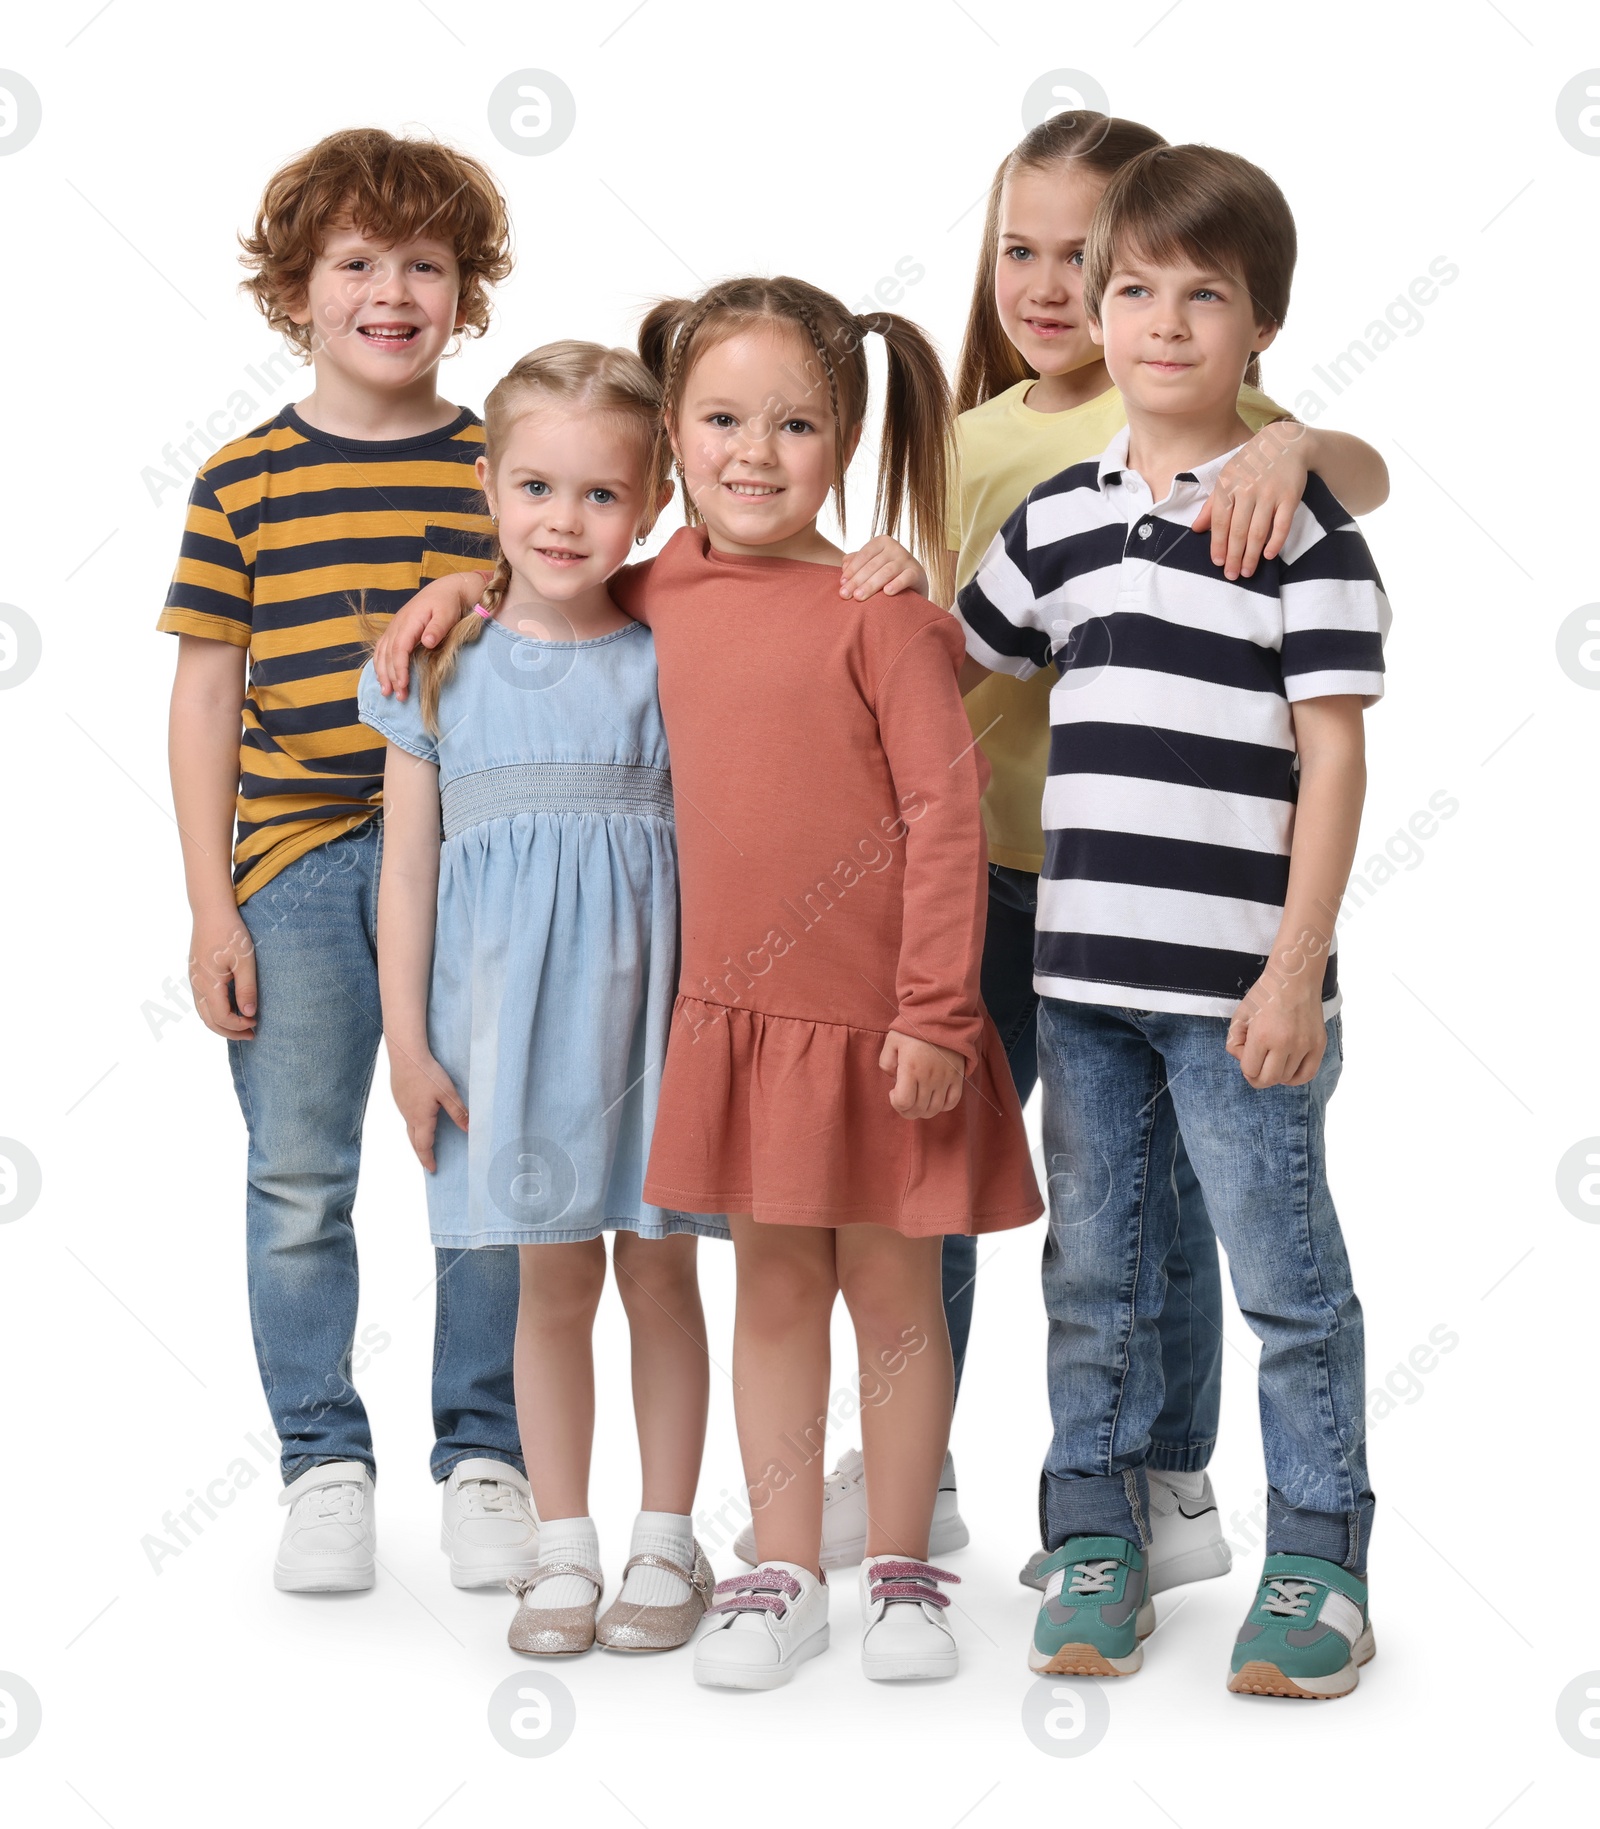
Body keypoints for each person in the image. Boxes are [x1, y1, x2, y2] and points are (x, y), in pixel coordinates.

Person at [375, 276, 1042, 1689]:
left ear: (847, 436)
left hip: (884, 1024)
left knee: (897, 1291)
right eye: (724, 419)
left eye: (796, 424)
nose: (755, 451)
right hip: (737, 1030)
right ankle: (782, 1566)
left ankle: (907, 1569)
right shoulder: (652, 591)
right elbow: (548, 581)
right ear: (673, 435)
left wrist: (938, 1011)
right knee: (778, 1294)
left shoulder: (885, 619)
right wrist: (464, 582)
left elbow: (946, 820)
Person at [766, 110, 1390, 1592]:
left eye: (1099, 262)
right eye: (1031, 257)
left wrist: (1291, 443)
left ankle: (1231, 1514)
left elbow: (1345, 556)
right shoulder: (1022, 479)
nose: (1068, 292)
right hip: (1020, 903)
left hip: (1216, 936)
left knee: (1223, 1248)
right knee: (1028, 1218)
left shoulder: (1258, 476)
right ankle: (985, 1484)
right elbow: (941, 657)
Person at [957, 143, 1387, 1698]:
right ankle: (1097, 1538)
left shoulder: (1300, 521)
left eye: (1203, 296)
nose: (1157, 320)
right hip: (1080, 983)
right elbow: (952, 669)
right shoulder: (1057, 522)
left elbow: (1334, 755)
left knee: (1282, 1276)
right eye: (1132, 288)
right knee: (1096, 1272)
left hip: (1239, 992)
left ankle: (1321, 1556)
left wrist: (1293, 969)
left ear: (1260, 328)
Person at [160, 128, 535, 1593]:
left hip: (475, 859)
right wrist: (212, 906)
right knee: (301, 1175)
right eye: (358, 263)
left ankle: (487, 1448)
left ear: (467, 290)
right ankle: (322, 1458)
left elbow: (580, 594)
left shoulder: (500, 467)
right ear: (297, 289)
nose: (394, 292)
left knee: (487, 1155)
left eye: (426, 265)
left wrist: (484, 573)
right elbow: (203, 693)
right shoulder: (242, 481)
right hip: (301, 862)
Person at [358, 341, 729, 1656]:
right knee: (548, 1288)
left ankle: (667, 1538)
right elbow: (407, 872)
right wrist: (408, 1045)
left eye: (601, 497)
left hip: (655, 1024)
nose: (564, 523)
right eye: (535, 489)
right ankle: (562, 1547)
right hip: (508, 1037)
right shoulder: (440, 665)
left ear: (656, 505)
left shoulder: (668, 651)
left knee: (665, 1279)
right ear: (489, 485)